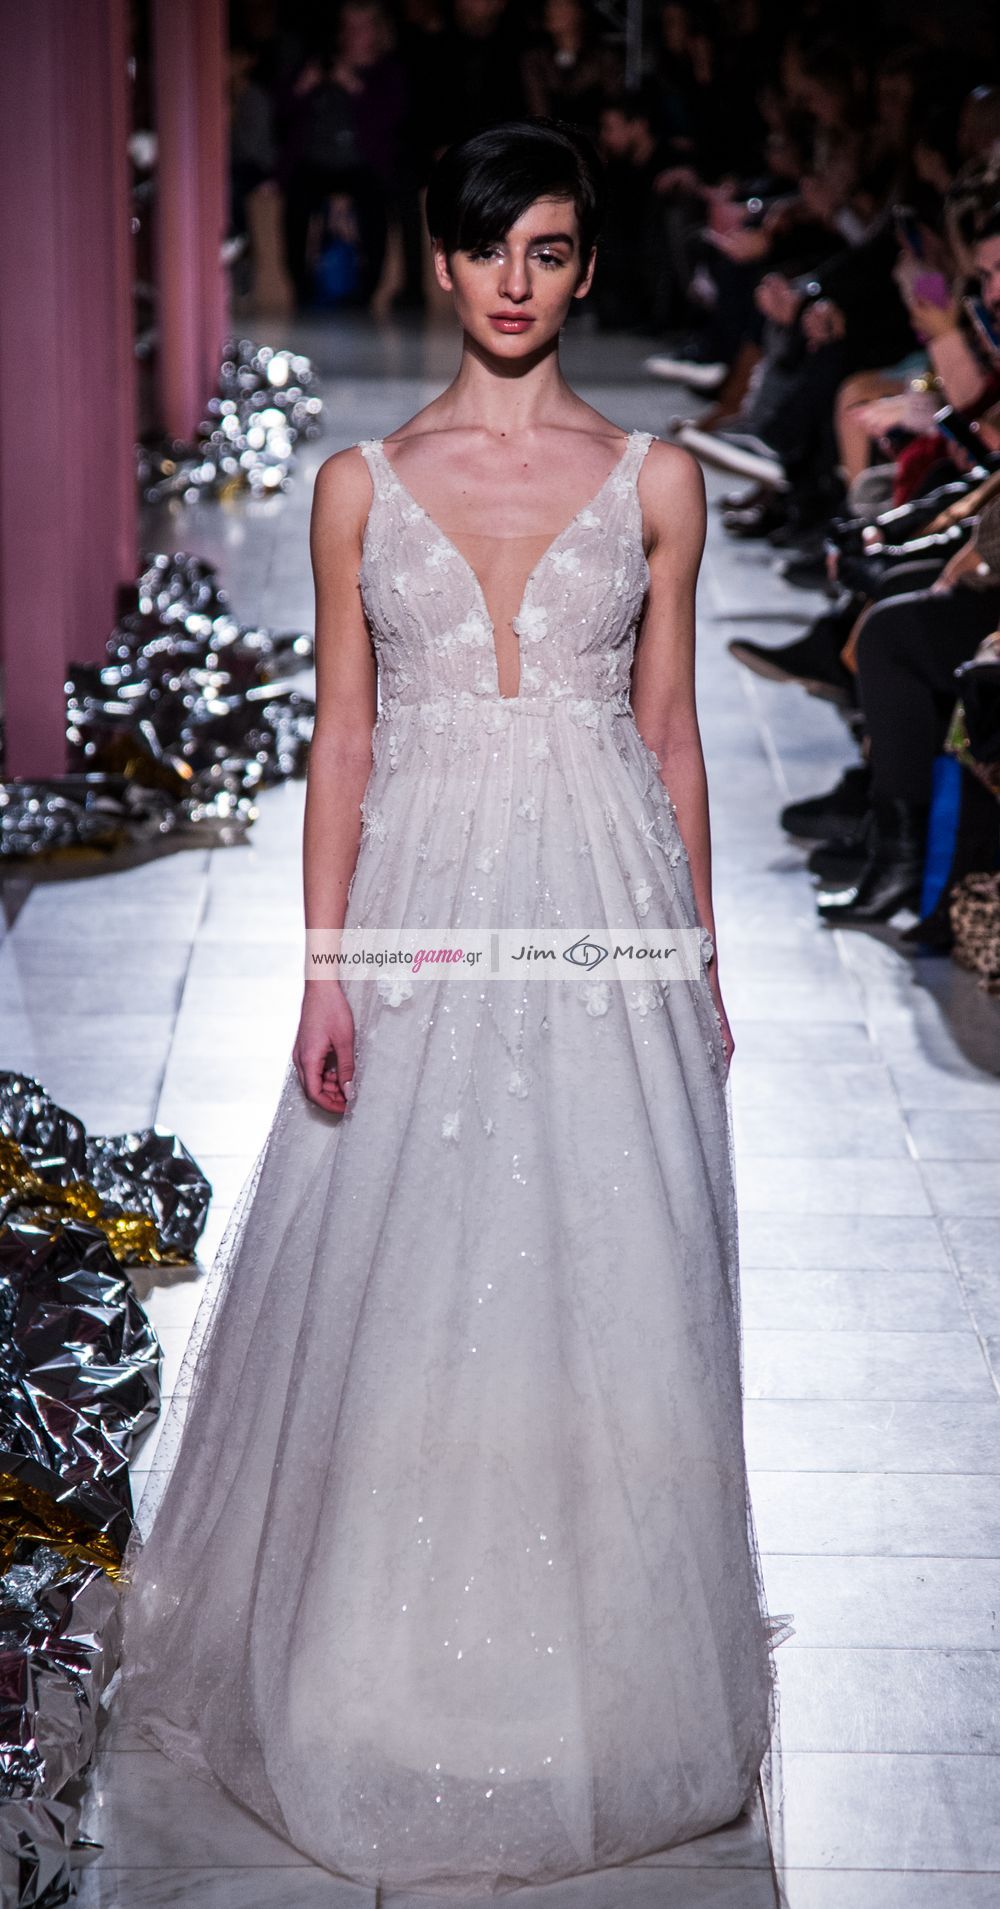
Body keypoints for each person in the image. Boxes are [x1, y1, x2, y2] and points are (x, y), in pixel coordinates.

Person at [112, 118, 781, 1893]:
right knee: (412, 1272)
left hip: (605, 911)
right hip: (419, 905)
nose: (515, 280)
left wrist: (702, 960)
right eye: (490, 247)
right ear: (440, 256)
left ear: (584, 268)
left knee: (608, 1268)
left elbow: (669, 735)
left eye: (549, 250)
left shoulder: (654, 481)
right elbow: (341, 741)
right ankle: (383, 1668)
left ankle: (604, 1677)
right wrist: (323, 966)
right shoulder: (360, 484)